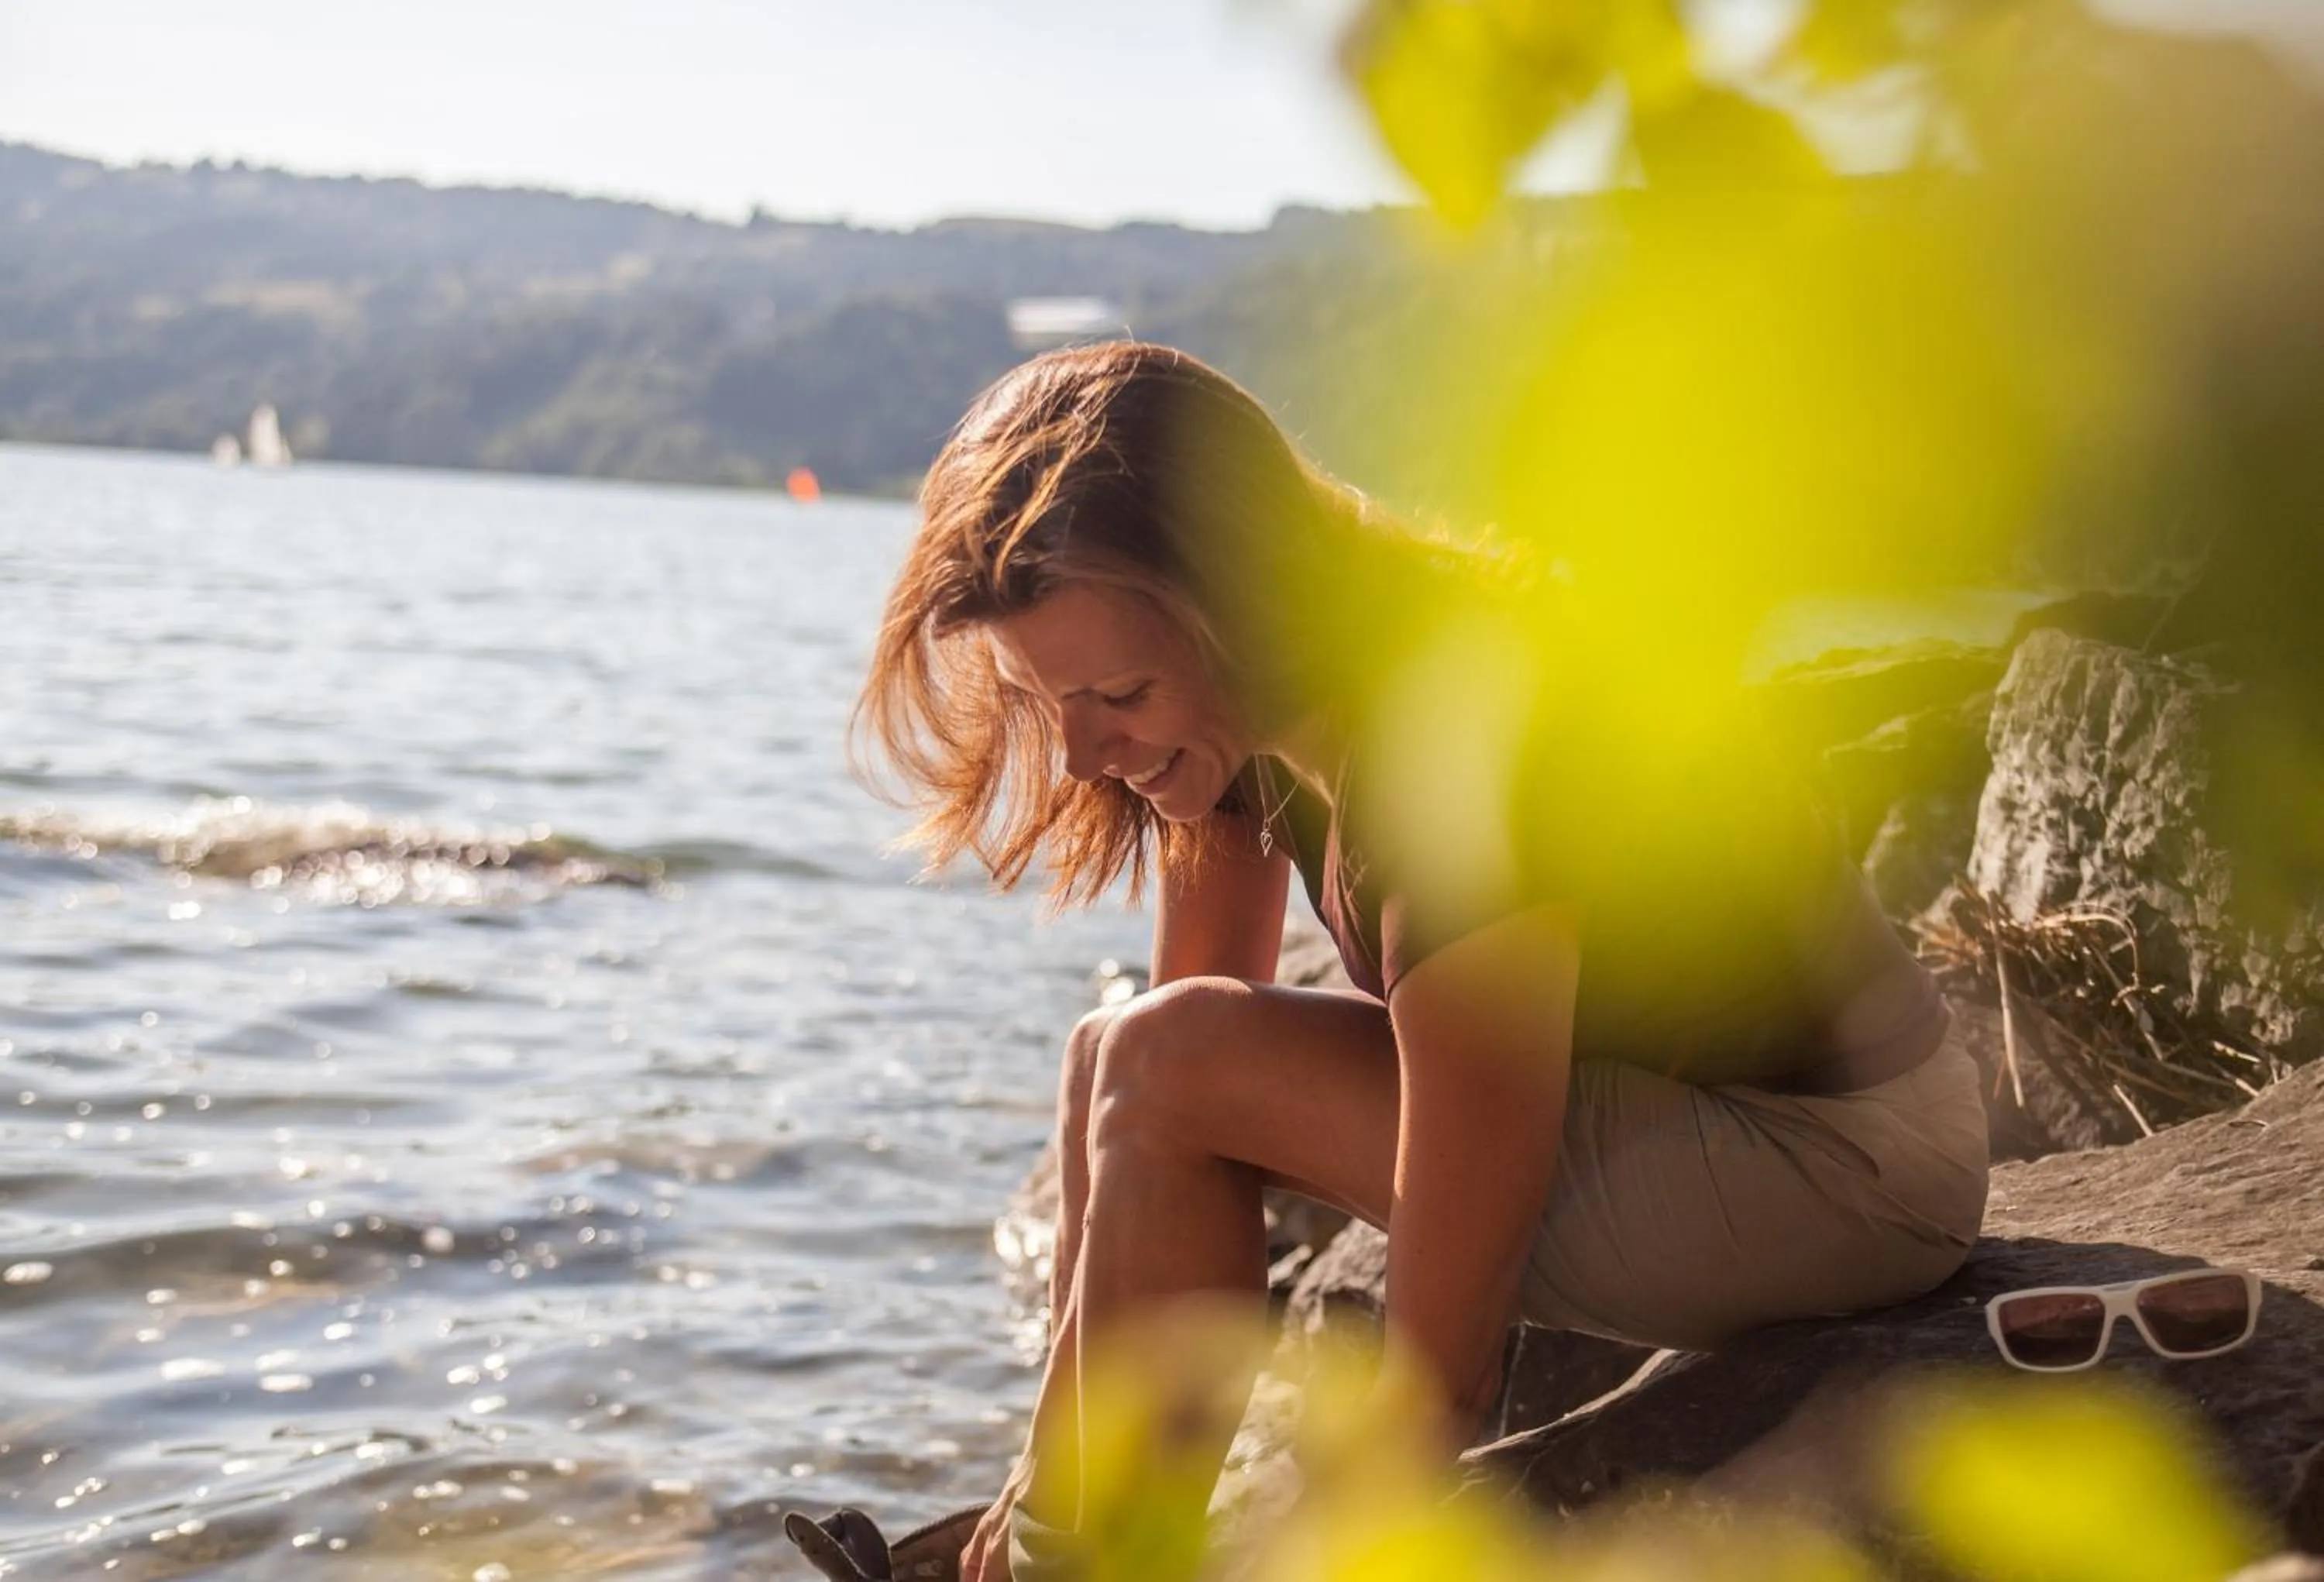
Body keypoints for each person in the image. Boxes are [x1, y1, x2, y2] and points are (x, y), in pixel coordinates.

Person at [840, 341, 1989, 1582]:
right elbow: (1154, 1066)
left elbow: (1444, 1359)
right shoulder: (1249, 710)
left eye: (1116, 690)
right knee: (1109, 1053)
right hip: (1693, 1118)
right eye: (1043, 698)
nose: (1074, 757)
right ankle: (1065, 1553)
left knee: (1163, 1063)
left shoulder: (1450, 737)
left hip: (1842, 1163)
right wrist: (1039, 1472)